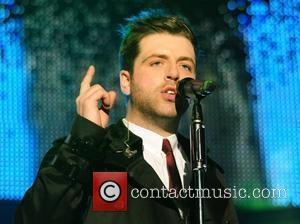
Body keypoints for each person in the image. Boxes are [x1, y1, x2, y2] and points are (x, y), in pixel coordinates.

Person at [15, 9, 238, 224]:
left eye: (185, 65)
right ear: (126, 81)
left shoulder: (208, 172)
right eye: (157, 62)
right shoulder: (91, 156)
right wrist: (84, 139)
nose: (175, 73)